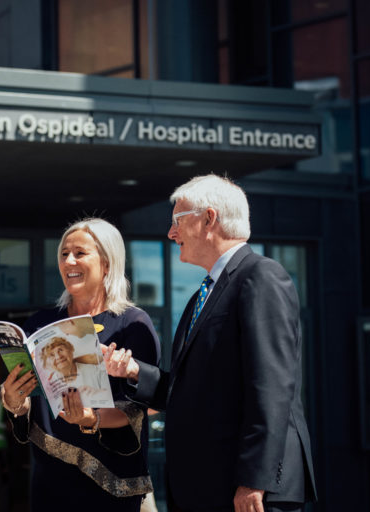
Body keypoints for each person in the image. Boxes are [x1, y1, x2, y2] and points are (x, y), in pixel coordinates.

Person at [104, 175, 317, 512]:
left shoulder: (261, 276)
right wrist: (132, 371)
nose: (170, 234)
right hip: (208, 486)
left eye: (177, 221)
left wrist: (253, 481)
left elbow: (272, 387)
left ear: (209, 219)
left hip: (247, 490)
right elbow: (188, 389)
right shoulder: (201, 297)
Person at [0, 217, 161, 512]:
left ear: (107, 263)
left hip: (111, 482)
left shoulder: (132, 324)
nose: (69, 261)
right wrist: (13, 401)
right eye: (63, 254)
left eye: (80, 253)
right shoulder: (39, 323)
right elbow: (30, 404)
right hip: (51, 478)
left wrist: (90, 418)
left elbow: (138, 409)